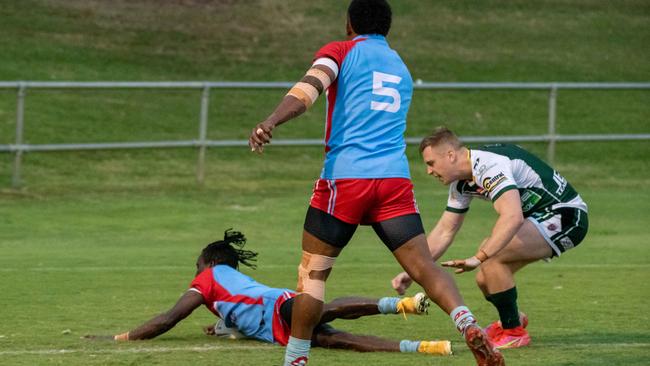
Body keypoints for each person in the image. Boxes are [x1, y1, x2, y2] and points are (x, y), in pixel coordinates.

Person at [248, 1, 504, 365]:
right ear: (387, 28)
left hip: (346, 179)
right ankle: (466, 323)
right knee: (425, 267)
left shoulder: (339, 51)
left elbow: (309, 89)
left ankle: (296, 359)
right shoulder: (399, 66)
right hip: (393, 181)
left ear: (349, 23)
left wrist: (271, 121)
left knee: (313, 273)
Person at [85, 230, 454, 357]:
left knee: (330, 313)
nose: (195, 274)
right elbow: (238, 315)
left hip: (279, 309)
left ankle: (401, 304)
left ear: (209, 263)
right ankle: (424, 348)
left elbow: (168, 318)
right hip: (277, 326)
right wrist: (220, 329)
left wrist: (119, 337)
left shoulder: (210, 278)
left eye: (198, 266)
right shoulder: (223, 288)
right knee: (341, 341)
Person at [391, 127, 589, 349]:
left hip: (566, 214)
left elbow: (512, 217)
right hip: (539, 217)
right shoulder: (462, 182)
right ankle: (511, 318)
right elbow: (446, 229)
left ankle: (514, 332)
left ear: (450, 155)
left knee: (492, 258)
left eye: (431, 163)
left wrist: (479, 256)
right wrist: (417, 268)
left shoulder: (488, 166)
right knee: (485, 278)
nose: (428, 171)